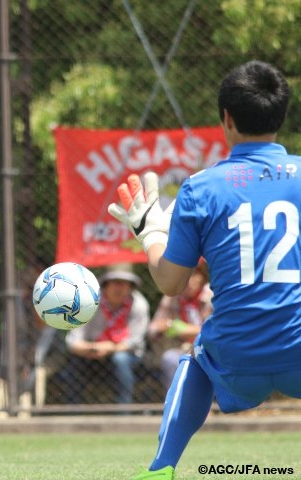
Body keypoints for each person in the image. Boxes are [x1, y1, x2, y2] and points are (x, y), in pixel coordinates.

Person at [108, 60, 301, 480]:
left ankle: (161, 469)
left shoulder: (202, 186)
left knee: (193, 361)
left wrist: (148, 232)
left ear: (226, 118)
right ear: (282, 114)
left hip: (236, 355)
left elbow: (171, 283)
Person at [60, 263, 150, 405]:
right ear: (106, 285)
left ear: (131, 287)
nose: (119, 288)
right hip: (90, 352)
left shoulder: (139, 304)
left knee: (120, 359)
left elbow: (135, 341)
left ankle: (123, 413)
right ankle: (73, 412)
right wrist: (93, 348)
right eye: (116, 283)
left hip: (126, 354)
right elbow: (72, 342)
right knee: (73, 365)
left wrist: (109, 348)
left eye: (125, 284)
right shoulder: (88, 303)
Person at [147, 261, 212, 391]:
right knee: (169, 359)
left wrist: (188, 329)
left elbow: (220, 330)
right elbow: (152, 329)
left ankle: (208, 406)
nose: (189, 281)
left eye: (193, 276)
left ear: (202, 278)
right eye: (184, 277)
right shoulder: (172, 296)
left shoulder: (212, 295)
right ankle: (178, 403)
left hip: (211, 349)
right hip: (183, 349)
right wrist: (166, 326)